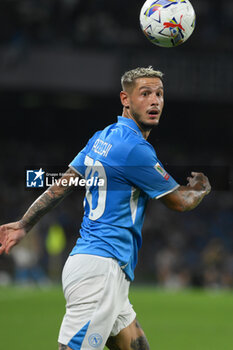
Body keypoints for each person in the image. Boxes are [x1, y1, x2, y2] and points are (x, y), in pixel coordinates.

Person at [0, 66, 211, 350]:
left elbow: (60, 186)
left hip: (97, 265)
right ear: (125, 99)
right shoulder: (135, 149)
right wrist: (201, 187)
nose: (155, 101)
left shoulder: (102, 137)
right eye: (145, 94)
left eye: (159, 94)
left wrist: (24, 224)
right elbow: (179, 201)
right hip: (101, 271)